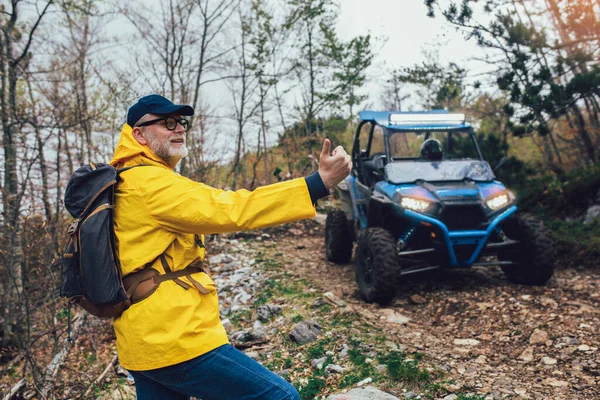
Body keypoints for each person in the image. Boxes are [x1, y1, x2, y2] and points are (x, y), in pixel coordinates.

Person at [108, 94, 351, 400]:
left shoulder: (126, 180)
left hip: (141, 343)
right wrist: (317, 183)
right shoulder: (149, 183)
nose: (179, 129)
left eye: (181, 122)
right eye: (167, 122)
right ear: (139, 135)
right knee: (280, 396)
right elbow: (233, 208)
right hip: (173, 339)